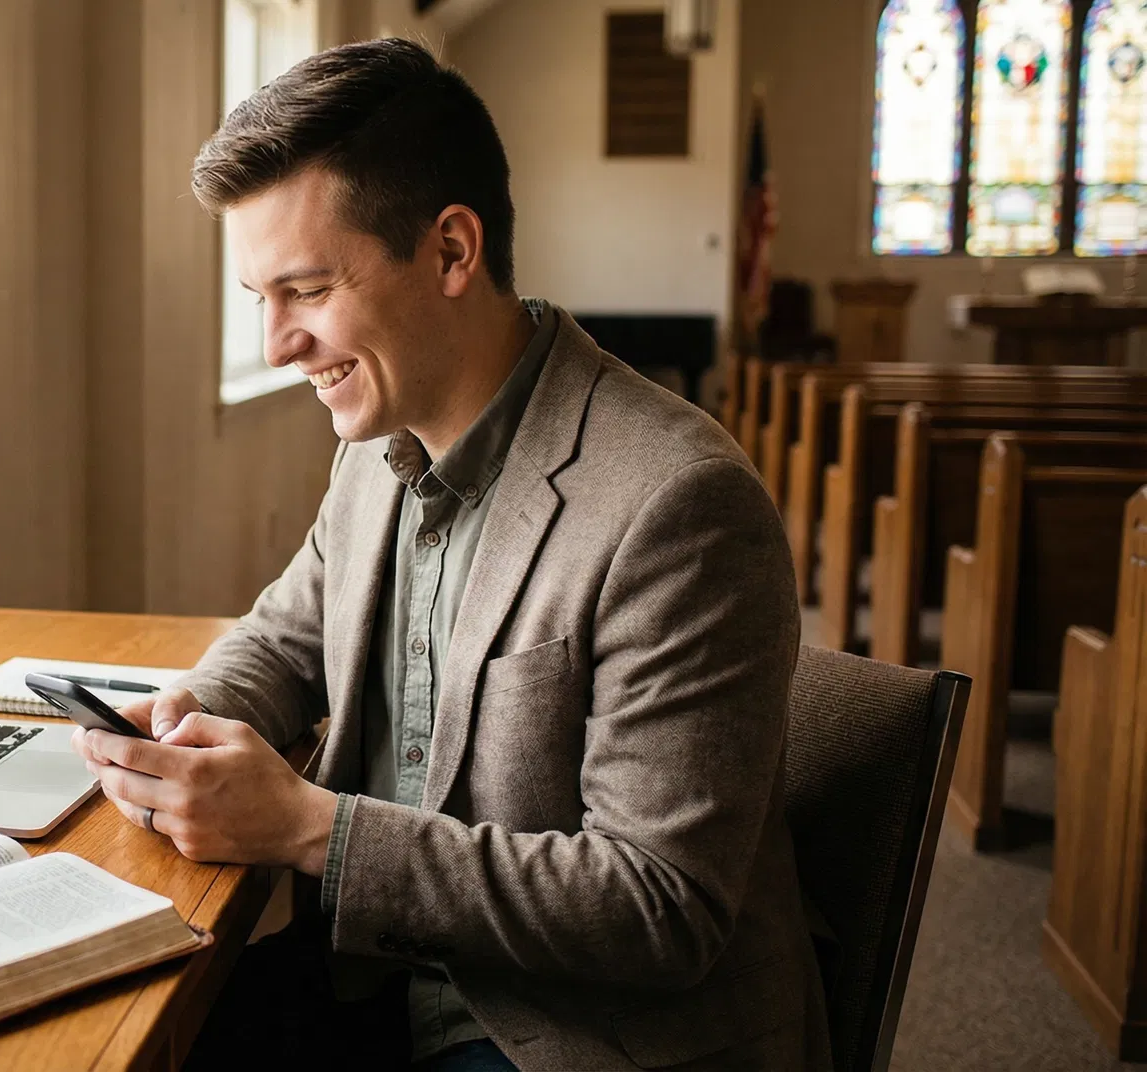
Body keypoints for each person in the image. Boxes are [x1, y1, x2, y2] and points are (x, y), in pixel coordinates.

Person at [69, 37, 830, 1072]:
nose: (276, 344)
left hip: (570, 1034)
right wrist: (183, 724)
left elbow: (660, 909)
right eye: (260, 299)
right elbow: (287, 638)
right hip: (375, 977)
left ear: (452, 251)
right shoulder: (378, 448)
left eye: (306, 289)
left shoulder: (680, 504)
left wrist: (309, 830)